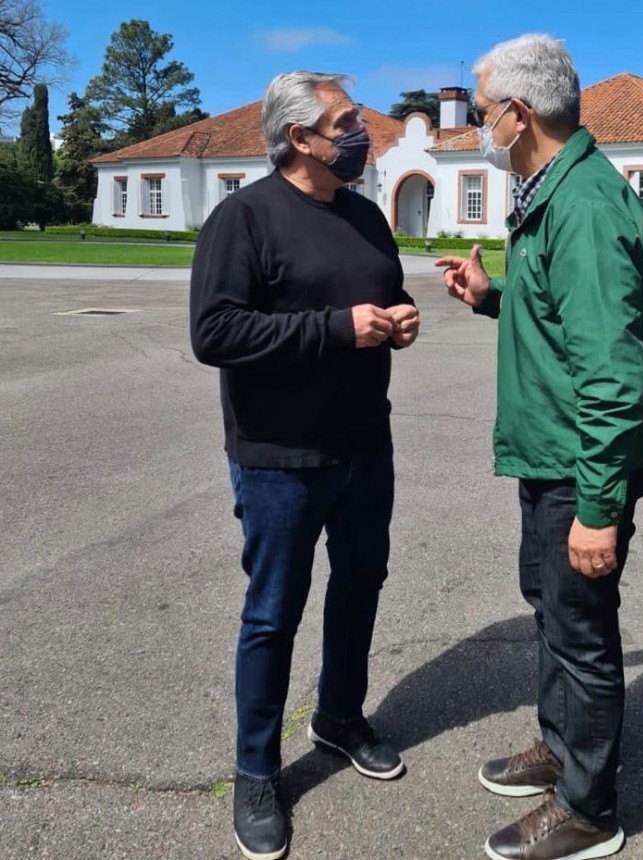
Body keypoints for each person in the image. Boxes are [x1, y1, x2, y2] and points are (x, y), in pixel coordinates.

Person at [436, 34, 643, 860]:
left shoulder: (578, 205)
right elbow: (561, 316)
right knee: (550, 605)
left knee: (578, 623)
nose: (477, 129)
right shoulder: (552, 188)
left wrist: (598, 510)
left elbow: (612, 376)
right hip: (557, 446)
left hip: (582, 458)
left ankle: (588, 809)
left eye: (480, 113)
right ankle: (561, 746)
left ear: (518, 113)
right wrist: (491, 298)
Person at [190, 71, 419, 860]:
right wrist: (335, 329)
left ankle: (339, 716)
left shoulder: (362, 216)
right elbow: (215, 334)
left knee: (360, 587)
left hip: (365, 446)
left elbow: (379, 298)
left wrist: (399, 320)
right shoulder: (242, 219)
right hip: (279, 458)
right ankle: (257, 769)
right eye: (348, 122)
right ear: (302, 139)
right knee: (273, 612)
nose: (364, 133)